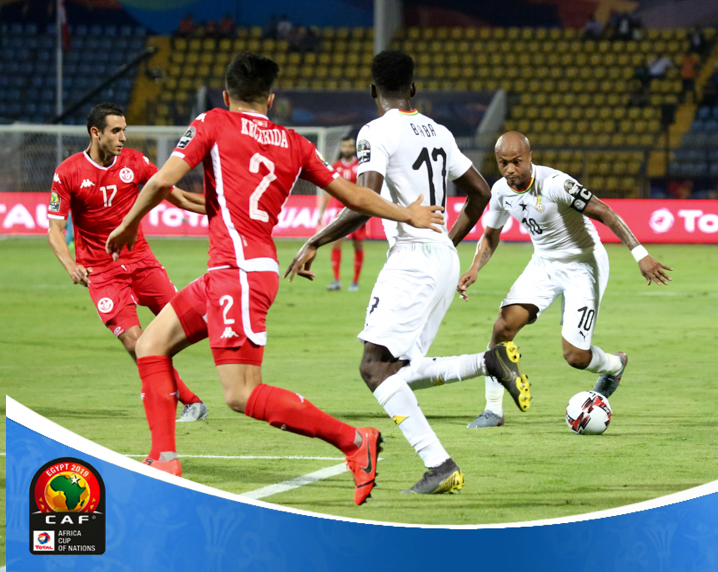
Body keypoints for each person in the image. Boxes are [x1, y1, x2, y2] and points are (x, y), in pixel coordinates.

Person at [106, 52, 445, 505]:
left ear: (226, 95)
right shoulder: (294, 142)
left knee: (241, 394)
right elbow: (354, 195)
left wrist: (128, 225)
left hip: (240, 274)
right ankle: (163, 458)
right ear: (270, 99)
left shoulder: (212, 123)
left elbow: (160, 182)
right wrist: (407, 213)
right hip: (233, 270)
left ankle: (353, 441)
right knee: (150, 344)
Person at [286, 50, 531, 494]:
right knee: (400, 367)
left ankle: (439, 463)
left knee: (374, 368)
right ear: (413, 89)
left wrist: (315, 240)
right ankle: (487, 362)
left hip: (412, 257)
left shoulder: (375, 131)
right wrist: (447, 241)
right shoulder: (439, 131)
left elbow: (364, 200)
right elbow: (479, 192)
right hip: (440, 256)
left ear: (373, 91)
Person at [457, 132, 673, 428]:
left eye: (516, 162)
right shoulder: (500, 192)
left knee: (575, 356)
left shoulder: (556, 184)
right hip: (544, 264)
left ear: (530, 157)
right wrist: (475, 268)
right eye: (503, 163)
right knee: (501, 328)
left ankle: (614, 365)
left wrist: (640, 255)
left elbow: (605, 211)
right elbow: (490, 236)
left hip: (583, 265)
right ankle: (493, 410)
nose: (510, 169)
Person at [47, 102, 210, 423]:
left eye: (124, 130)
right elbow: (54, 229)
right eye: (116, 131)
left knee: (189, 321)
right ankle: (189, 401)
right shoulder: (67, 172)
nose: (123, 137)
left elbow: (178, 197)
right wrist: (70, 266)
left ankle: (155, 376)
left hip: (142, 262)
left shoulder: (135, 162)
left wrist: (228, 212)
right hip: (101, 272)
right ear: (96, 133)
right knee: (135, 342)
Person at [314, 136, 366, 291]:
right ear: (341, 148)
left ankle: (355, 281)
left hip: (358, 210)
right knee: (336, 241)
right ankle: (336, 280)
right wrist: (321, 212)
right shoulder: (336, 166)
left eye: (350, 146)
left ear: (354, 148)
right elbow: (329, 190)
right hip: (340, 210)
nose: (347, 149)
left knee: (357, 245)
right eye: (344, 146)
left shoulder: (361, 166)